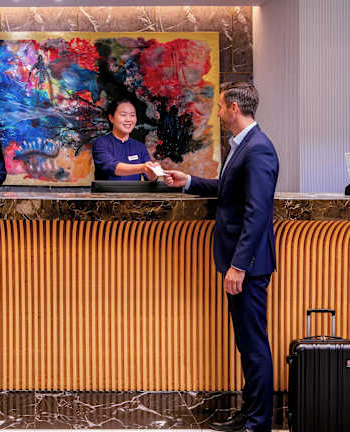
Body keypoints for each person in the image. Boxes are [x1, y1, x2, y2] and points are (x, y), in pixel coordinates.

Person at [164, 82, 279, 432]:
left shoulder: (258, 149)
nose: (216, 112)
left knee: (254, 345)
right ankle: (249, 415)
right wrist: (188, 181)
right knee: (246, 343)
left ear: (233, 108)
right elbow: (226, 190)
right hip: (240, 263)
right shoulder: (242, 145)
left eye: (219, 106)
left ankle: (257, 423)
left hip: (248, 267)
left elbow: (257, 213)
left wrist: (239, 266)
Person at [92, 97, 160, 181]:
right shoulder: (100, 143)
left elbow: (150, 178)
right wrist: (143, 167)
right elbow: (111, 167)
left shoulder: (139, 147)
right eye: (123, 115)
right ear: (111, 118)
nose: (128, 119)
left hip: (134, 190)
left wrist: (154, 172)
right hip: (108, 190)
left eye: (132, 115)